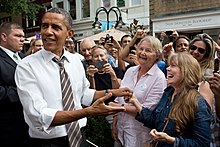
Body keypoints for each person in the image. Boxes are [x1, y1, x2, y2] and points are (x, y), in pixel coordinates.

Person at [14, 7, 132, 147]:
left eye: (55, 27)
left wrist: (112, 92)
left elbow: (83, 94)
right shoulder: (26, 66)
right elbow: (40, 116)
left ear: (69, 34)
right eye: (44, 26)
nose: (47, 32)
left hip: (79, 136)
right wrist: (88, 112)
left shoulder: (75, 60)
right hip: (48, 143)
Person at [126, 52, 212, 146]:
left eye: (173, 66)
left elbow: (202, 143)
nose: (167, 68)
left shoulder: (198, 104)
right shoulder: (168, 93)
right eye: (169, 65)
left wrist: (172, 140)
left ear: (186, 71)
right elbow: (156, 120)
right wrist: (135, 102)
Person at [111, 35, 167, 147]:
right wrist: (114, 124)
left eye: (148, 50)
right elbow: (119, 99)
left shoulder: (159, 78)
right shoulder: (130, 71)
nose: (142, 53)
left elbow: (147, 110)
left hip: (138, 135)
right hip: (121, 130)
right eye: (141, 49)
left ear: (157, 55)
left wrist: (119, 108)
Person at [0, 22, 30, 146]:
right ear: (4, 37)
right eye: (17, 36)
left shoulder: (24, 58)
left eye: (23, 36)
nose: (22, 39)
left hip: (28, 127)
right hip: (6, 129)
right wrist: (23, 93)